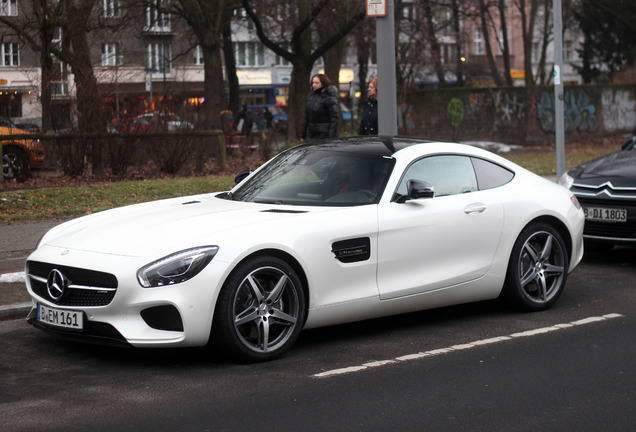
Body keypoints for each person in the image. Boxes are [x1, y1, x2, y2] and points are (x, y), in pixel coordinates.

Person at [301, 73, 339, 142]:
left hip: (324, 136)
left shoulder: (329, 98)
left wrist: (331, 139)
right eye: (312, 83)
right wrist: (303, 135)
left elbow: (334, 120)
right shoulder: (311, 96)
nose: (313, 85)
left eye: (316, 83)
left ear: (323, 83)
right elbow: (307, 117)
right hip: (310, 134)